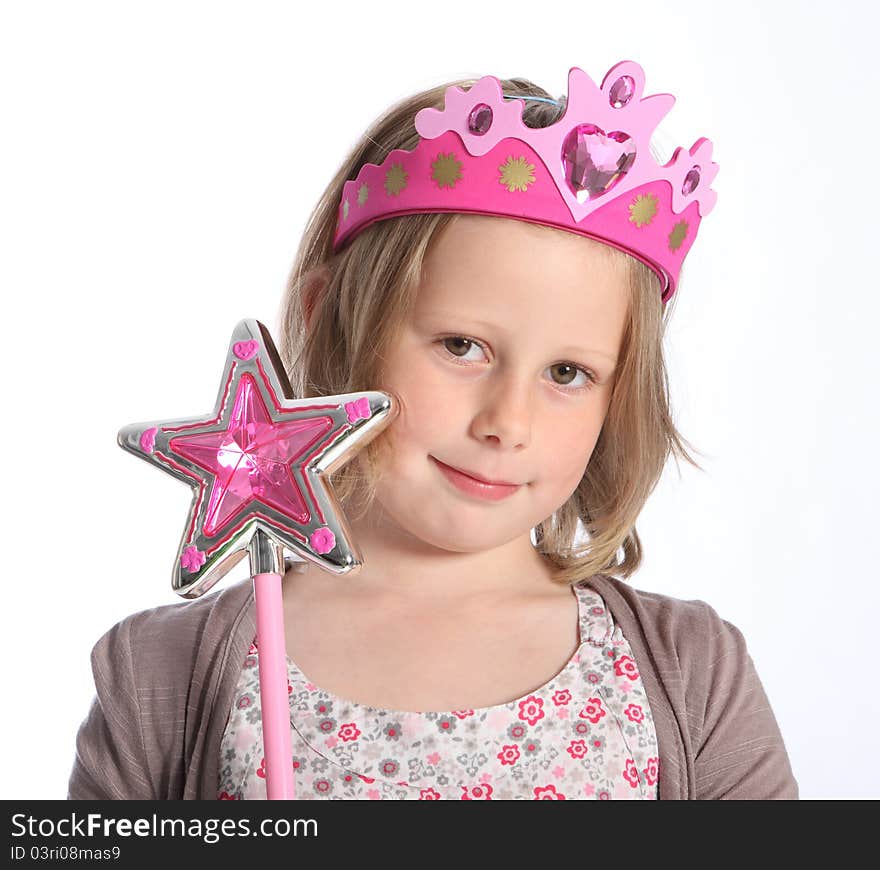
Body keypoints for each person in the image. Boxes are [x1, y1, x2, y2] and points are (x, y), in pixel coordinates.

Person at [68, 62, 799, 800]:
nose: (507, 424)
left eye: (567, 373)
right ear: (334, 318)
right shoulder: (164, 675)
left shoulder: (692, 674)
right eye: (461, 346)